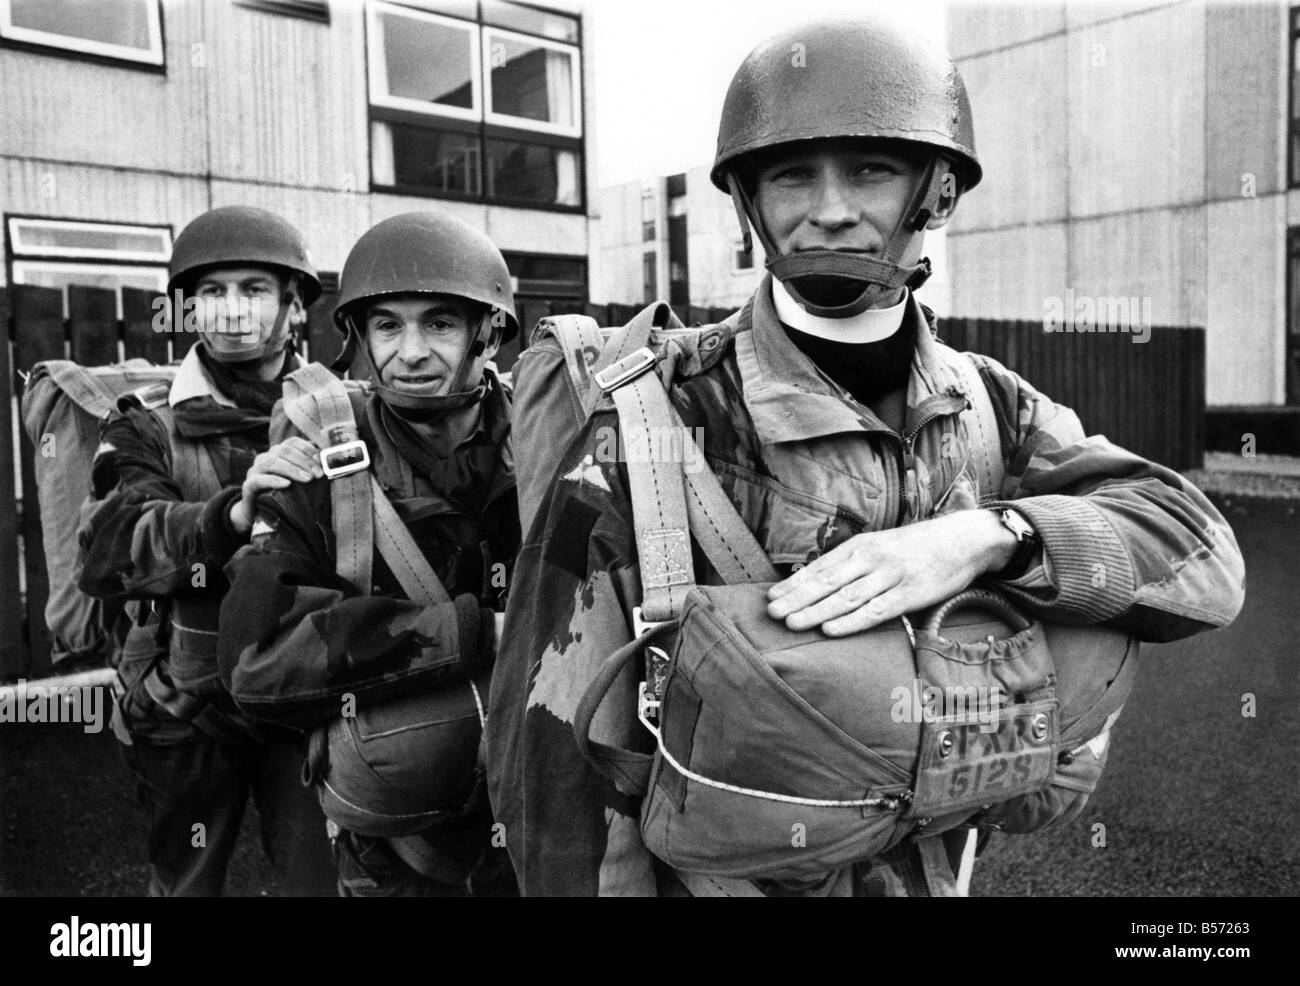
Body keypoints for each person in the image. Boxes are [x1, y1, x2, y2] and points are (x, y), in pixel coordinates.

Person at [485, 14, 1247, 896]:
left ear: (940, 193)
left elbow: (1203, 556)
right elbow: (553, 777)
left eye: (872, 170)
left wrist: (991, 537)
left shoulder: (988, 400)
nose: (830, 209)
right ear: (749, 204)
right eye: (791, 175)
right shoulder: (659, 410)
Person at [218, 211, 520, 896]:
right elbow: (256, 661)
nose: (410, 351)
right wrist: (475, 631)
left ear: (487, 332)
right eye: (388, 325)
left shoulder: (551, 441)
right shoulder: (318, 465)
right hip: (397, 852)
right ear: (358, 336)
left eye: (440, 323)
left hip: (543, 817)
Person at [78, 205, 337, 896]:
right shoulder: (144, 422)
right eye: (210, 292)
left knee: (325, 881)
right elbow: (108, 552)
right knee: (188, 883)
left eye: (253, 288)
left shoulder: (340, 411)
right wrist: (232, 512)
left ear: (293, 308)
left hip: (304, 695)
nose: (229, 310)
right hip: (185, 703)